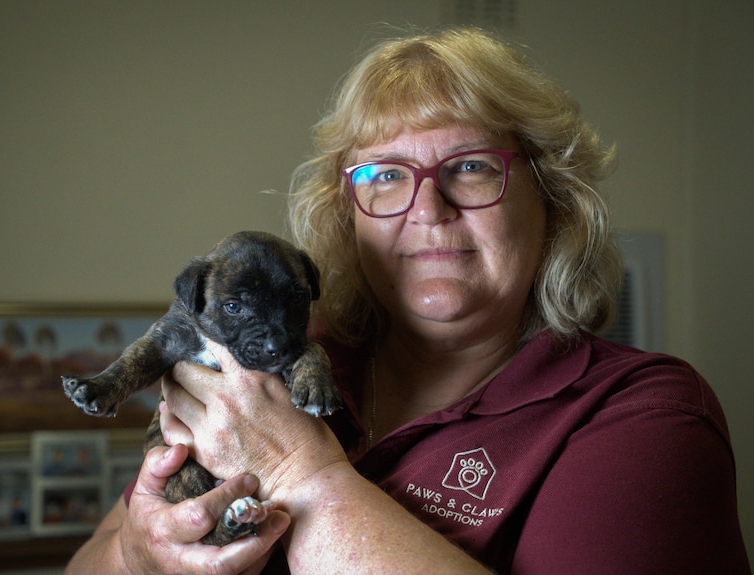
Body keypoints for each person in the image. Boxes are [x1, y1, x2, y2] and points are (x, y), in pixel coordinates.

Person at [65, 27, 751, 574]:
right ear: (348, 213)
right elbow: (92, 562)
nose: (427, 206)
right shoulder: (273, 363)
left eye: (472, 166)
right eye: (386, 174)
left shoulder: (645, 414)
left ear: (552, 198)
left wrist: (302, 471)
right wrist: (138, 554)